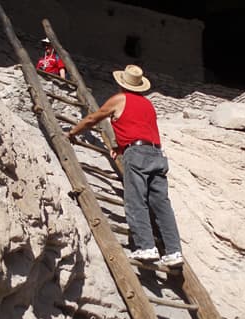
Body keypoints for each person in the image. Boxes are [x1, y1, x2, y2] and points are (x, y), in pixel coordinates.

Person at [65, 64, 183, 267]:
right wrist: (119, 147)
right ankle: (174, 252)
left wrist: (73, 132)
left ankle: (146, 246)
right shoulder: (148, 104)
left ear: (122, 84)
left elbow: (94, 117)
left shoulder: (120, 99)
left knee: (135, 199)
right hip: (156, 154)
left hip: (136, 154)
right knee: (161, 205)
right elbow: (139, 128)